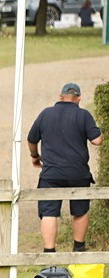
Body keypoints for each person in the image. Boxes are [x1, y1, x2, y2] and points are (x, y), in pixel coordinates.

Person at [27, 82, 103, 253]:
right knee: (80, 211)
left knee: (49, 212)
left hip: (51, 172)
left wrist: (35, 156)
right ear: (79, 99)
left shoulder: (46, 114)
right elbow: (97, 140)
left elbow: (31, 139)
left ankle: (49, 252)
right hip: (78, 173)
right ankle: (78, 248)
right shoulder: (83, 115)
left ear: (59, 97)